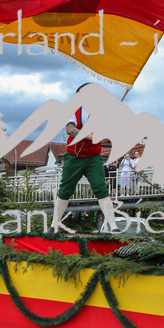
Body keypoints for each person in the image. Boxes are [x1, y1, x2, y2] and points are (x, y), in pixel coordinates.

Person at [52, 84, 118, 233]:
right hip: (74, 156)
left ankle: (113, 226)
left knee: (101, 188)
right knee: (65, 190)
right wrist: (90, 136)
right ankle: (54, 225)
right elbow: (70, 130)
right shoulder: (72, 110)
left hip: (93, 157)